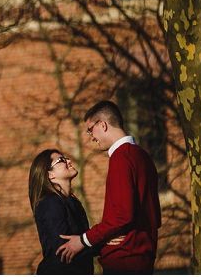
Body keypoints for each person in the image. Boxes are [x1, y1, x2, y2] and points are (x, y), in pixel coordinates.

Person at [56, 101, 161, 274]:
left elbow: (121, 215)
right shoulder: (144, 156)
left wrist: (83, 240)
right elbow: (155, 216)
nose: (91, 137)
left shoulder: (121, 158)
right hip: (144, 261)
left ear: (102, 124)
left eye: (90, 130)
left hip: (123, 261)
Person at [28, 149, 96, 274]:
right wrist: (101, 243)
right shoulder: (50, 203)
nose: (69, 161)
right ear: (49, 175)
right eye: (61, 160)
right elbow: (64, 247)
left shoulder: (73, 202)